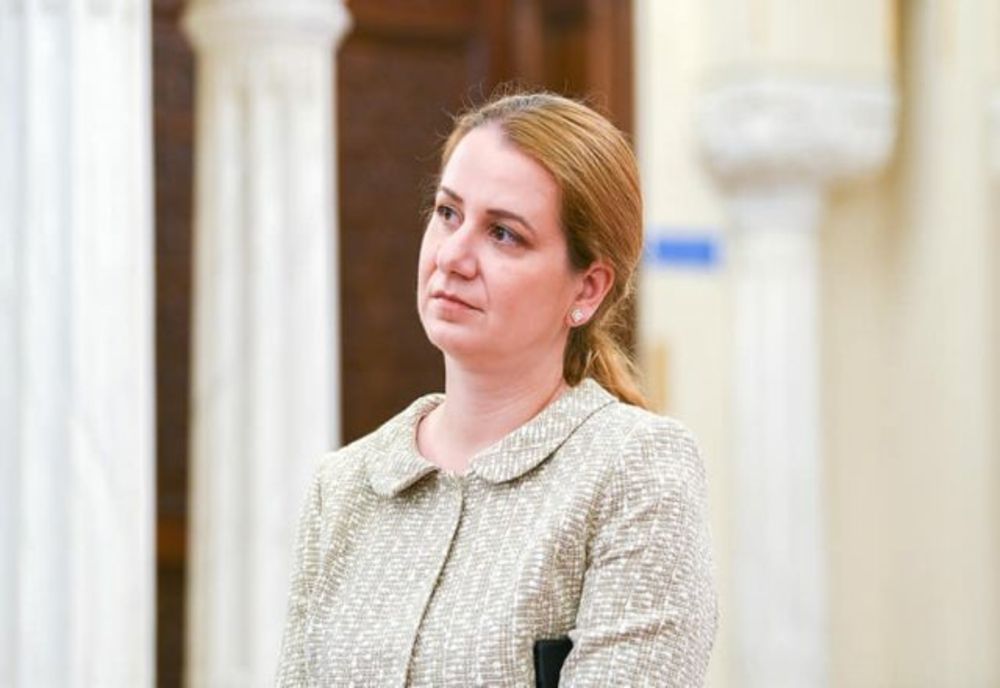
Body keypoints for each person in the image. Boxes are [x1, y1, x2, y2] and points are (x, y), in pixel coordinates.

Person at [275, 90, 718, 687]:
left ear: (587, 289)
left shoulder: (635, 470)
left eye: (504, 234)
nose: (453, 256)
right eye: (448, 213)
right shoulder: (345, 487)